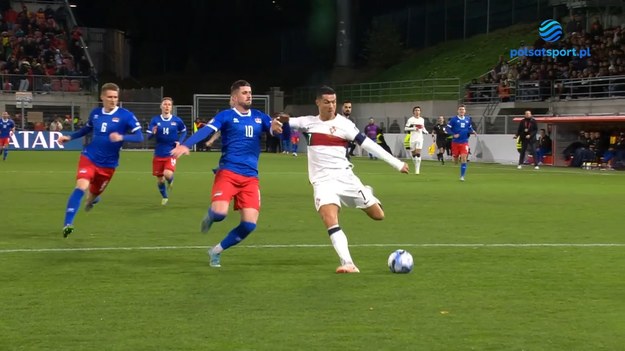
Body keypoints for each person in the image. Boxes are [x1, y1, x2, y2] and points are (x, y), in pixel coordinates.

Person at [280, 86, 409, 274]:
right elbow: (281, 122)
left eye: (333, 102)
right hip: (322, 182)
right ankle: (348, 263)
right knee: (330, 219)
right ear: (318, 102)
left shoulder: (345, 125)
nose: (331, 105)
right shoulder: (307, 122)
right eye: (326, 102)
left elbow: (370, 146)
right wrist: (277, 122)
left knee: (378, 215)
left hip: (345, 178)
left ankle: (368, 192)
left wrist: (396, 163)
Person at [170, 80, 282, 268]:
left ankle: (216, 251)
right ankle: (211, 216)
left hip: (250, 178)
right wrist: (186, 145)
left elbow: (275, 130)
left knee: (249, 225)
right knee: (220, 214)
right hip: (228, 173)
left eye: (250, 92)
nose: (249, 95)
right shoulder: (226, 116)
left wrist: (279, 128)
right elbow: (206, 130)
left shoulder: (259, 116)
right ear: (235, 97)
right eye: (245, 92)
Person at [57, 83, 144, 237]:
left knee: (91, 198)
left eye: (115, 97)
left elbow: (140, 136)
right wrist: (70, 137)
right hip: (89, 157)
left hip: (108, 165)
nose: (113, 100)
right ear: (102, 97)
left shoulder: (126, 115)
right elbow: (86, 129)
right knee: (81, 186)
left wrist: (122, 137)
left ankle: (92, 200)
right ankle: (67, 224)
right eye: (109, 97)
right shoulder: (95, 113)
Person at [146, 97, 188, 205]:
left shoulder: (176, 120)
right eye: (165, 104)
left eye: (169, 104)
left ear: (171, 107)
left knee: (168, 174)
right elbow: (148, 136)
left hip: (171, 152)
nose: (167, 106)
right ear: (161, 106)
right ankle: (164, 196)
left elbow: (184, 131)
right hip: (159, 153)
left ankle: (171, 180)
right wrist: (153, 133)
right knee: (160, 180)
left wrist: (180, 142)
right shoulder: (155, 120)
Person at [446, 105, 476, 181]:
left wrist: (473, 131)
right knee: (455, 161)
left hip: (464, 142)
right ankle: (456, 156)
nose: (462, 111)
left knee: (464, 158)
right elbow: (447, 128)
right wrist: (453, 134)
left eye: (463, 109)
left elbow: (469, 127)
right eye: (460, 109)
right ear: (458, 111)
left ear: (465, 111)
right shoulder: (453, 119)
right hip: (455, 142)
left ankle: (462, 176)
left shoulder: (467, 119)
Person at [404, 106, 429, 174]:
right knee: (414, 155)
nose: (417, 112)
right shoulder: (410, 119)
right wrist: (414, 128)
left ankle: (417, 170)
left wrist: (425, 131)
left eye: (418, 110)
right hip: (412, 138)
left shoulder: (422, 119)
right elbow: (406, 129)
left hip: (420, 138)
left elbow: (423, 127)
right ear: (413, 112)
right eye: (416, 110)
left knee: (418, 154)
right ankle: (416, 165)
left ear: (420, 112)